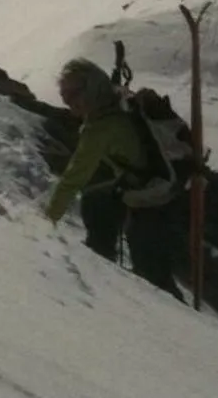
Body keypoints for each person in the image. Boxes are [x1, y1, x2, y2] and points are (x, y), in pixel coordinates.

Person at [44, 57, 182, 297]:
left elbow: (74, 177)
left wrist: (46, 221)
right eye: (64, 96)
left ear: (88, 91)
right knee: (99, 202)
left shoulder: (99, 129)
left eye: (71, 95)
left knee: (151, 268)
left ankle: (166, 318)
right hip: (161, 183)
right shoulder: (118, 103)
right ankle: (103, 261)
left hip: (154, 194)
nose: (67, 103)